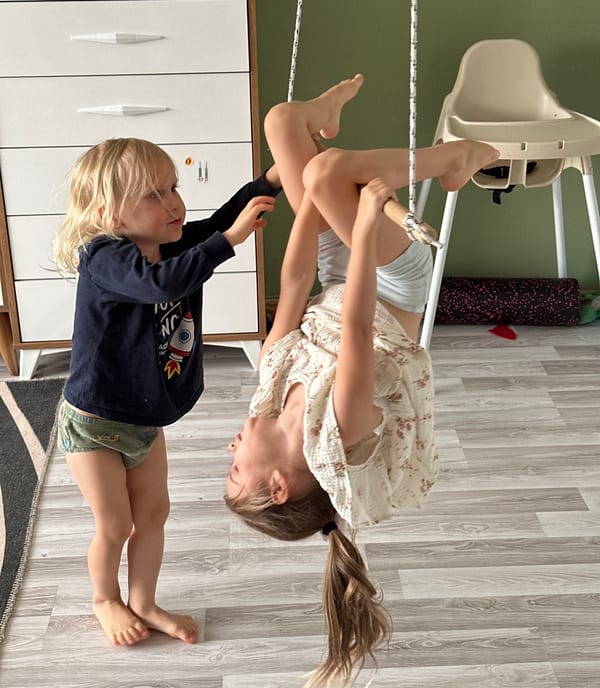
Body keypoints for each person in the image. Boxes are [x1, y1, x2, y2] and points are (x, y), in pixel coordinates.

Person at [224, 74, 500, 687]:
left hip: (335, 273)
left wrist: (308, 219)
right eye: (235, 468)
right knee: (327, 174)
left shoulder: (269, 389)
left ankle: (320, 119)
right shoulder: (337, 438)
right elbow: (354, 332)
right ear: (277, 486)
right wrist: (362, 215)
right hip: (391, 285)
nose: (230, 449)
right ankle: (455, 161)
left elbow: (294, 290)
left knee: (281, 125)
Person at [52, 137, 280, 647]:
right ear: (109, 212)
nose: (174, 203)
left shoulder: (165, 242)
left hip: (143, 416)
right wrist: (228, 244)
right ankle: (104, 600)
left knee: (153, 515)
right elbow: (160, 284)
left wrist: (268, 184)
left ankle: (145, 601)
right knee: (114, 525)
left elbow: (217, 223)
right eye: (154, 195)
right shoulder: (104, 257)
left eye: (172, 187)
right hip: (95, 419)